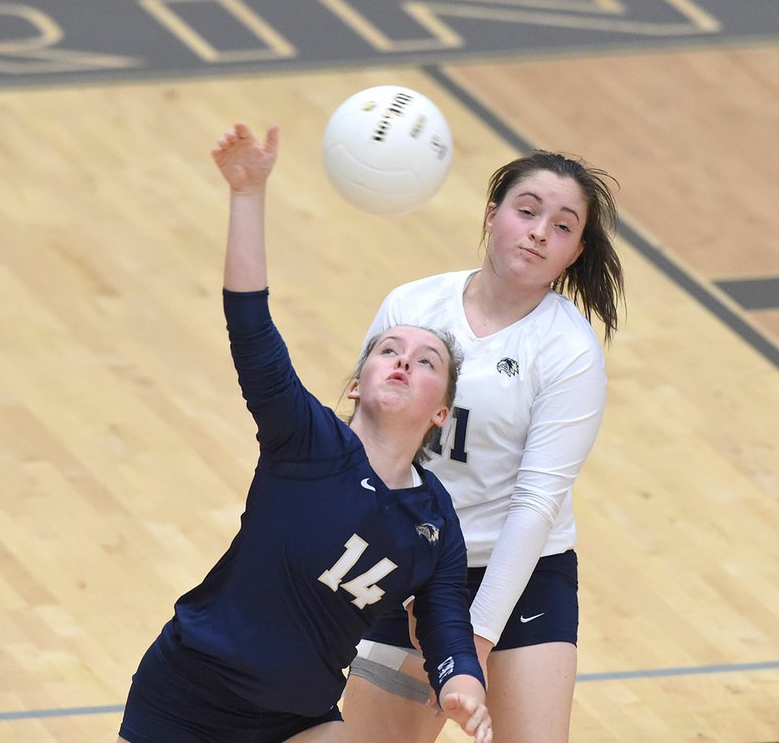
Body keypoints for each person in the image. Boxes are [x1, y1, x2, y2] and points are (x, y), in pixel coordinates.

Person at [115, 123, 493, 743]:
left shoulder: (435, 522)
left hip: (298, 720)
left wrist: (461, 684)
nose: (402, 360)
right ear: (356, 384)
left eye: (426, 362)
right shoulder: (306, 442)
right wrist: (247, 196)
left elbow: (446, 624)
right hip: (191, 693)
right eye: (388, 350)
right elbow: (251, 326)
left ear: (439, 415)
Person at [342, 149, 625, 742]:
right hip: (408, 566)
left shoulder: (568, 351)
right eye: (527, 211)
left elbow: (537, 502)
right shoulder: (412, 306)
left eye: (564, 226)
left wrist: (474, 636)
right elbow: (361, 445)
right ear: (493, 215)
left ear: (574, 252)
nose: (540, 231)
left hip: (520, 576)